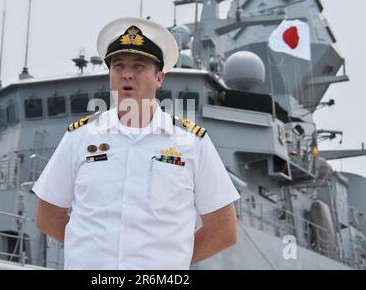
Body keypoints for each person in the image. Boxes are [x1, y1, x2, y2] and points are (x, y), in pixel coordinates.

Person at [32, 17, 240, 270]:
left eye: (139, 66)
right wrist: (91, 253)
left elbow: (223, 229)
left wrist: (169, 262)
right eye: (118, 66)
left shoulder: (192, 143)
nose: (127, 74)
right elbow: (47, 216)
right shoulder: (80, 138)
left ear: (160, 77)